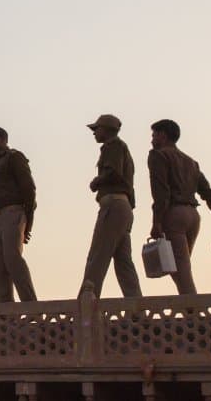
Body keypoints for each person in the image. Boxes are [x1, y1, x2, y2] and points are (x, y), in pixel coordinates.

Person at [148, 119, 211, 294]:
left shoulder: (158, 156)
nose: (152, 140)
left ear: (163, 135)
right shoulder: (191, 162)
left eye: (154, 135)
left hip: (174, 214)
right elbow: (209, 193)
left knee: (181, 272)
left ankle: (193, 309)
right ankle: (190, 307)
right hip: (193, 216)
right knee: (180, 268)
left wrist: (157, 222)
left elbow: (161, 192)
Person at [81, 115, 142, 298]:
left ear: (106, 130)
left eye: (97, 129)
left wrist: (97, 181)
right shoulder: (121, 147)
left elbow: (113, 172)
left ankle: (86, 303)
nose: (94, 133)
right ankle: (136, 306)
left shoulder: (113, 146)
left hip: (113, 206)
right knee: (124, 262)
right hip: (124, 208)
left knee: (97, 257)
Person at [0, 127, 38, 302]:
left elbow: (29, 190)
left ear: (3, 140)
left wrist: (28, 223)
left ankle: (31, 306)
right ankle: (5, 312)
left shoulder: (14, 157)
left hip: (13, 212)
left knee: (13, 259)